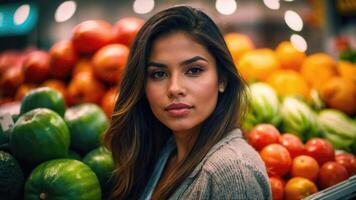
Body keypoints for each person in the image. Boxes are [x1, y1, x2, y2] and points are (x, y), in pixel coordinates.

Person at [104, 5, 271, 200]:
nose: (174, 88)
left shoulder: (233, 172)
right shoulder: (165, 151)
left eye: (194, 70)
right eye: (159, 74)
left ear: (222, 79)